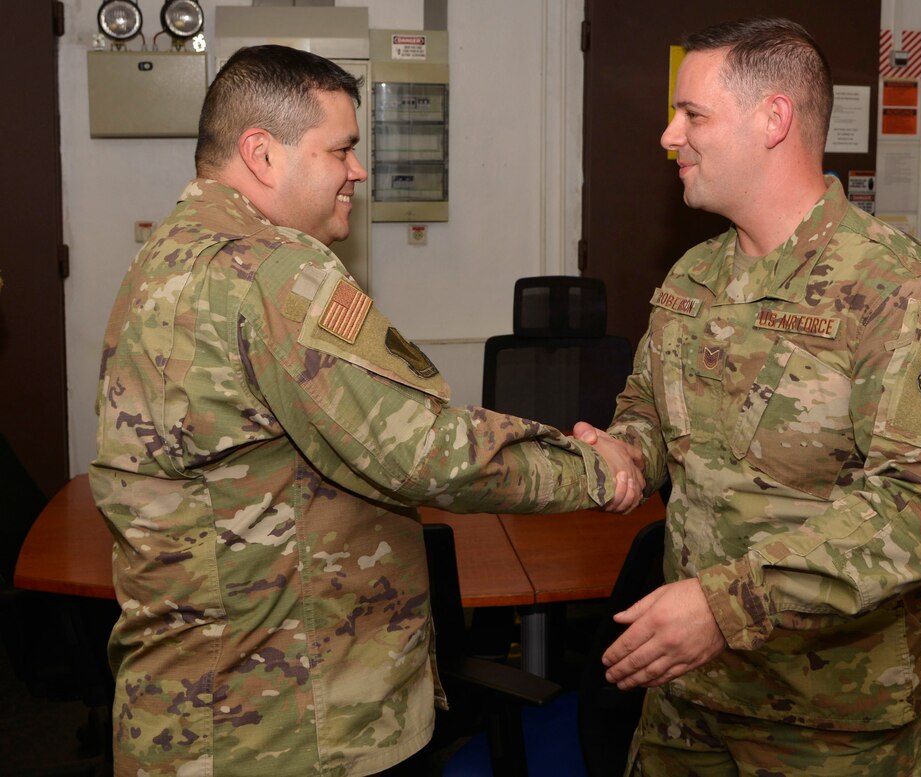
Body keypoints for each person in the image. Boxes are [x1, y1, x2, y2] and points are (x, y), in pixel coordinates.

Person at [90, 44, 642, 777]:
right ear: (262, 154)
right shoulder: (272, 269)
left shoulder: (165, 256)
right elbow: (423, 449)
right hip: (293, 721)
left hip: (189, 711)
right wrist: (599, 472)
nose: (358, 170)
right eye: (341, 149)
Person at [575, 17, 921, 776]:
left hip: (830, 724)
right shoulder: (691, 279)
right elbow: (650, 407)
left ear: (774, 119)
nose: (670, 137)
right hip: (689, 698)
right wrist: (626, 449)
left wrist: (724, 604)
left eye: (692, 115)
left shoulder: (900, 290)